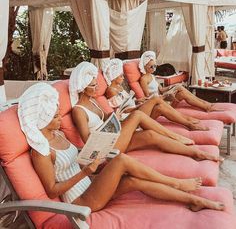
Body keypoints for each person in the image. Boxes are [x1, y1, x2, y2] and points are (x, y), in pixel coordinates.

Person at [17, 83, 224, 217]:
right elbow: (52, 189)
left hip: (92, 184)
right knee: (121, 161)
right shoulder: (41, 151)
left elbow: (76, 155)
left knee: (133, 181)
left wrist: (93, 150)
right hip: (80, 201)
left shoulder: (58, 135)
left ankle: (195, 200)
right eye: (54, 117)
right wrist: (85, 172)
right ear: (41, 119)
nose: (60, 119)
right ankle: (177, 183)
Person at [69, 61, 223, 162]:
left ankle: (197, 153)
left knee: (151, 135)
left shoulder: (94, 101)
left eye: (97, 85)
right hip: (103, 149)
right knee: (138, 114)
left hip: (114, 136)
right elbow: (89, 141)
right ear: (82, 87)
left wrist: (114, 118)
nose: (97, 88)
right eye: (93, 86)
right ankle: (175, 136)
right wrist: (115, 124)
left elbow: (109, 116)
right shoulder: (78, 111)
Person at [103, 58, 208, 131]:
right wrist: (140, 105)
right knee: (155, 99)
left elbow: (126, 103)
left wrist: (137, 101)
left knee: (160, 107)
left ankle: (187, 121)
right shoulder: (111, 90)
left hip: (136, 109)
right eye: (120, 75)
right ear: (113, 76)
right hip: (130, 116)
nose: (123, 77)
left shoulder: (119, 87)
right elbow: (121, 110)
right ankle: (189, 121)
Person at [139, 51, 220, 112]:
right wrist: (164, 96)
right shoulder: (143, 79)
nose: (154, 69)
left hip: (162, 98)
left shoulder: (152, 76)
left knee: (179, 88)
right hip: (159, 103)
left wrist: (171, 87)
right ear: (145, 66)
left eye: (155, 66)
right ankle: (206, 105)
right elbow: (148, 98)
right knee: (180, 90)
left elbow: (161, 90)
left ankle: (205, 105)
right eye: (151, 67)